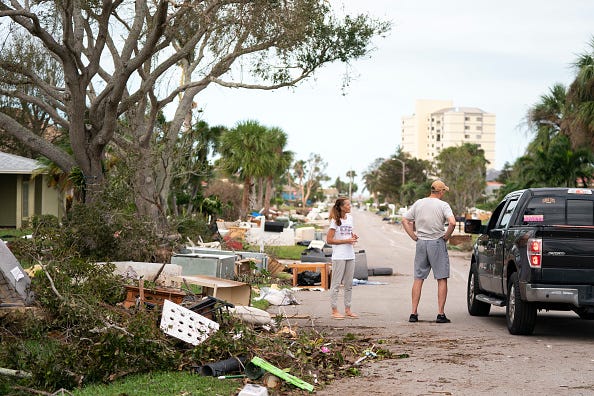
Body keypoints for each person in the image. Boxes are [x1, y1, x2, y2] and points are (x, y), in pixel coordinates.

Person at [402, 180, 456, 324]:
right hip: (437, 242)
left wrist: (413, 236)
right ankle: (440, 314)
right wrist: (447, 236)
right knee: (441, 278)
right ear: (441, 191)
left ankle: (413, 313)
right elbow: (452, 222)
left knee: (418, 278)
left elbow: (405, 220)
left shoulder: (419, 203)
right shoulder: (443, 205)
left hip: (421, 243)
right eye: (444, 191)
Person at [326, 197, 359, 319]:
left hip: (350, 254)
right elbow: (329, 240)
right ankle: (334, 310)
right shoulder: (335, 220)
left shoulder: (350, 218)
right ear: (341, 207)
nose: (350, 206)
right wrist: (346, 240)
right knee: (336, 284)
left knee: (348, 284)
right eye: (348, 205)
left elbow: (348, 234)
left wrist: (353, 237)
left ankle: (348, 309)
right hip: (339, 256)